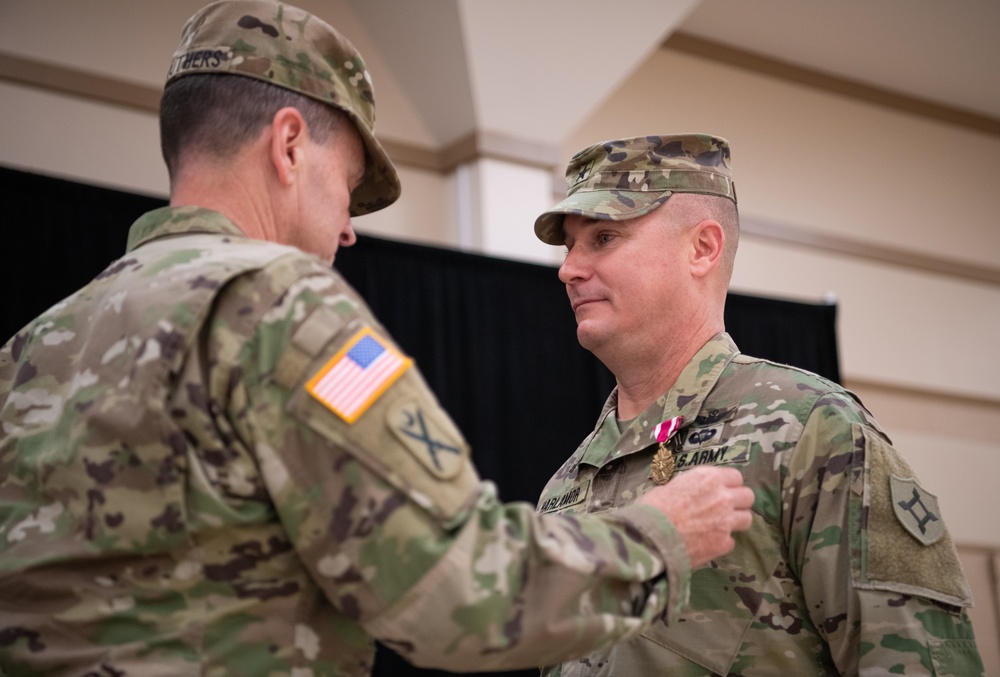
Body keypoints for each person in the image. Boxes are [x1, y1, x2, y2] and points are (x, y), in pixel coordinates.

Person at [0, 5, 757, 676]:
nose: (348, 227)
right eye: (347, 179)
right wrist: (660, 535)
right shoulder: (284, 309)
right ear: (290, 145)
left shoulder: (32, 349)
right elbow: (456, 587)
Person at [532, 134, 984, 676]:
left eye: (603, 238)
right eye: (569, 247)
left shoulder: (809, 429)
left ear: (702, 248)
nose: (569, 270)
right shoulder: (564, 489)